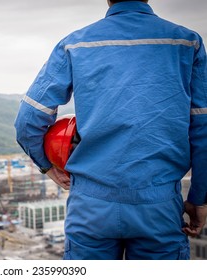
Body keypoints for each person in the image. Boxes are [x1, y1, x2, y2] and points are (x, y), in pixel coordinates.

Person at [14, 0, 207, 260]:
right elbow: (203, 128)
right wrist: (199, 197)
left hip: (90, 208)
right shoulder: (187, 43)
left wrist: (47, 166)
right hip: (159, 208)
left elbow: (27, 121)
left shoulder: (74, 44)